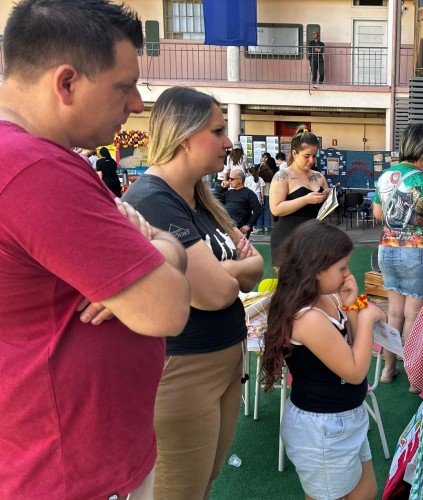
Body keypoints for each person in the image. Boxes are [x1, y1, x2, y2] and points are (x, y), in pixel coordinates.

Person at [0, 1, 191, 498]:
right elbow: (167, 308)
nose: (136, 104)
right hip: (68, 467)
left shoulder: (38, 161)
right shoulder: (34, 169)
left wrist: (156, 247)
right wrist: (155, 248)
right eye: (124, 86)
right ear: (67, 83)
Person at [122, 86, 264, 499]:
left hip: (221, 360)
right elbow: (216, 294)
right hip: (184, 367)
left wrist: (224, 270)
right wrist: (229, 272)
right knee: (177, 489)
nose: (229, 142)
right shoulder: (152, 199)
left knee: (203, 481)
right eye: (218, 131)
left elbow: (256, 269)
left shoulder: (200, 197)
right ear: (184, 136)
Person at [261, 220, 386, 500]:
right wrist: (366, 318)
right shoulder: (307, 318)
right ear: (316, 270)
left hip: (345, 417)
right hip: (323, 428)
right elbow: (355, 371)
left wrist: (352, 306)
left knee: (366, 491)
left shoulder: (328, 298)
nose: (347, 273)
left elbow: (351, 344)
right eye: (342, 267)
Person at [373, 123, 423, 385]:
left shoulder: (385, 177)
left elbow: (378, 214)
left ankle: (388, 369)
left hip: (388, 250)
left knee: (394, 312)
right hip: (418, 253)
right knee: (414, 314)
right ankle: (413, 376)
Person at [269, 129, 328, 268]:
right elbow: (276, 209)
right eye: (306, 156)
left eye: (314, 156)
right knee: (289, 287)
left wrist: (329, 196)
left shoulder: (319, 176)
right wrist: (306, 200)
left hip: (313, 239)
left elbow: (324, 211)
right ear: (294, 153)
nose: (311, 160)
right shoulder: (282, 176)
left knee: (314, 286)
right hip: (286, 238)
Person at [214, 169, 264, 237]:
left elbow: (258, 210)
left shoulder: (249, 193)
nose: (229, 181)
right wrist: (221, 187)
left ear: (240, 180)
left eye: (232, 179)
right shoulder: (229, 193)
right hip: (225, 221)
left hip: (238, 224)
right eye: (229, 178)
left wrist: (248, 225)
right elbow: (214, 200)